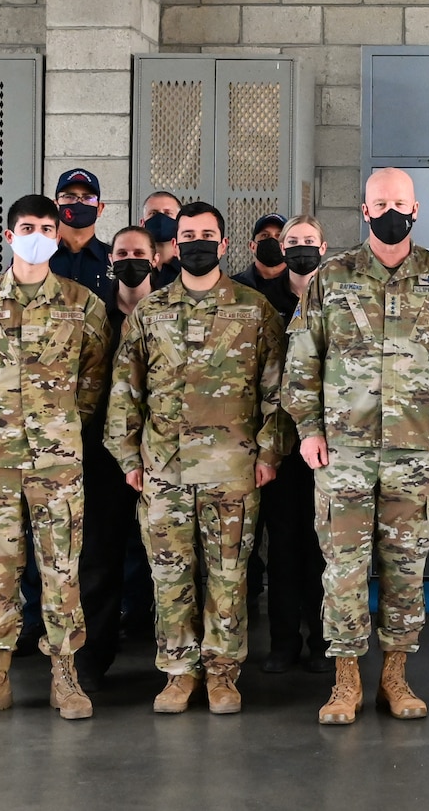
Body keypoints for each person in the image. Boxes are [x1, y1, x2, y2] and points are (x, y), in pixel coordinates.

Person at [280, 167, 429, 725]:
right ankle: (346, 679)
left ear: (415, 209)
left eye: (400, 201)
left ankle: (395, 676)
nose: (390, 210)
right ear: (364, 211)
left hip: (415, 454)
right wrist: (309, 429)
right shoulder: (331, 277)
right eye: (379, 202)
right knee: (343, 568)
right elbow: (302, 361)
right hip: (343, 452)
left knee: (406, 567)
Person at [108, 202, 291, 716]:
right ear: (175, 246)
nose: (197, 244)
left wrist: (271, 452)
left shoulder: (255, 310)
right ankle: (177, 672)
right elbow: (125, 390)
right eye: (188, 236)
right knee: (170, 576)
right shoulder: (151, 312)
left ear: (224, 244)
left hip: (233, 471)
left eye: (207, 235)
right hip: (164, 470)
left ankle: (222, 674)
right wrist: (128, 458)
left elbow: (278, 389)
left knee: (229, 576)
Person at [0, 195, 112, 723]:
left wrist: (59, 425)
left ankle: (65, 674)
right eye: (26, 226)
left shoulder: (84, 304)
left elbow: (92, 381)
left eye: (45, 226)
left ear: (58, 236)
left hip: (57, 462)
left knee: (61, 566)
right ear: (9, 235)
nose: (37, 234)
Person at [77, 225, 158, 689]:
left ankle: (179, 661)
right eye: (122, 253)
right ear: (111, 260)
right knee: (99, 559)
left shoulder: (169, 309)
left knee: (174, 562)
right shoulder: (92, 315)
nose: (131, 260)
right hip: (103, 454)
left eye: (139, 253)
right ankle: (92, 658)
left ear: (155, 259)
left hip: (166, 452)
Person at [260, 216, 331, 673]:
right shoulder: (263, 303)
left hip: (330, 440)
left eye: (309, 241)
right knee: (283, 546)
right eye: (293, 242)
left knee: (325, 548)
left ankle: (326, 642)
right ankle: (283, 643)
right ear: (280, 249)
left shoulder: (339, 298)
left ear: (324, 248)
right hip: (280, 443)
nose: (301, 248)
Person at [50, 168, 114, 301]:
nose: (78, 203)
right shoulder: (39, 257)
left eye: (88, 198)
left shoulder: (114, 259)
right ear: (55, 206)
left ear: (100, 208)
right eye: (69, 197)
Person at [235, 211, 300, 320]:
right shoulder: (234, 286)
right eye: (265, 235)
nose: (272, 240)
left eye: (279, 236)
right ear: (252, 246)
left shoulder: (301, 288)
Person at [142, 191, 182, 289]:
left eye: (168, 213)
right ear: (142, 223)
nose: (160, 218)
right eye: (153, 213)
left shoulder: (190, 269)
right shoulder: (137, 268)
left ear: (181, 222)